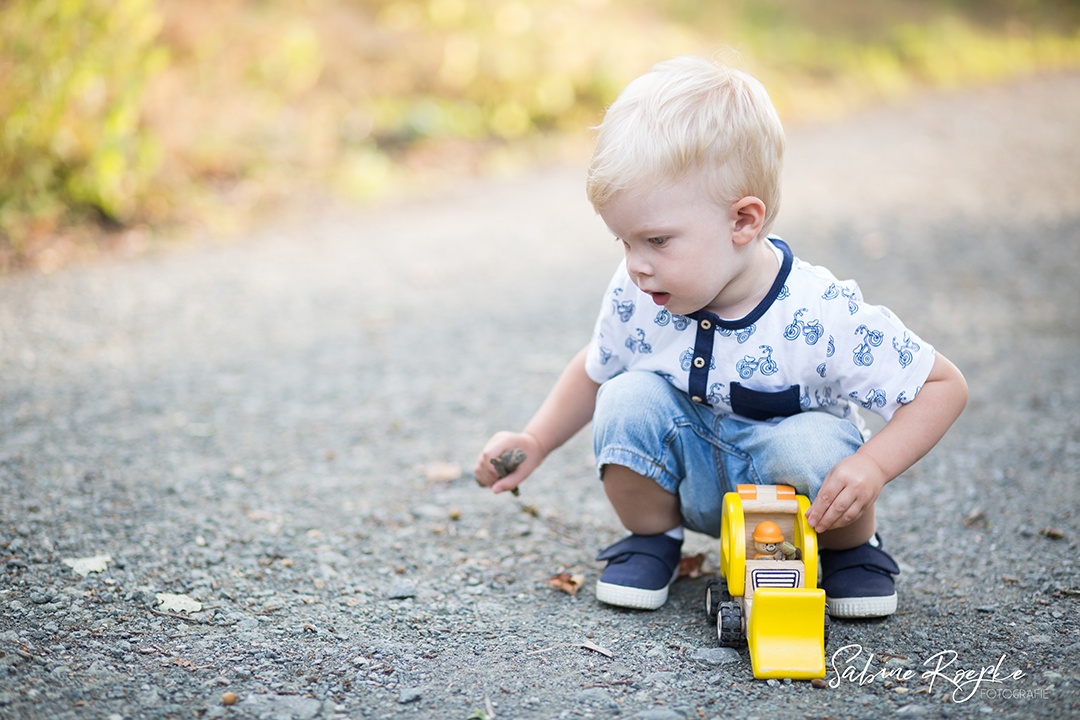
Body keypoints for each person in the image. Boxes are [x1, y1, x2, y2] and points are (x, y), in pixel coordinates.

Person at [473, 55, 968, 618]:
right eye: (624, 242)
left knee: (813, 444)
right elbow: (598, 366)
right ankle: (652, 538)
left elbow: (942, 385)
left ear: (743, 221)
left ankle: (849, 552)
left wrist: (873, 466)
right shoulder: (639, 290)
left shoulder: (819, 310)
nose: (636, 265)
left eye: (657, 241)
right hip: (693, 475)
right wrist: (535, 440)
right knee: (625, 396)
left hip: (798, 496)